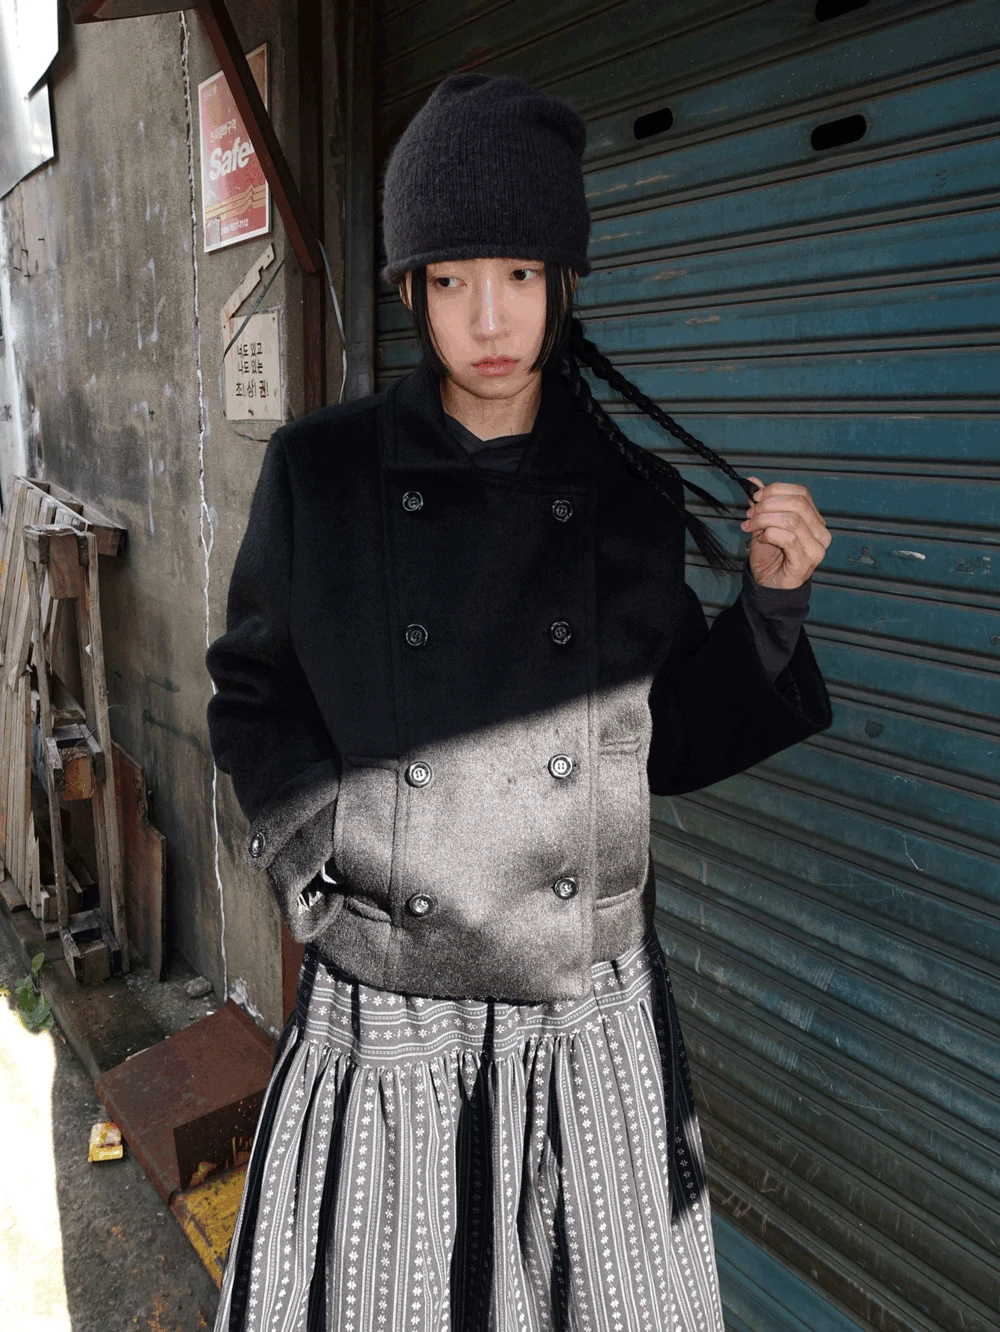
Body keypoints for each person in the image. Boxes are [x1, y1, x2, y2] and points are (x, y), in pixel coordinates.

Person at [205, 73, 832, 1332]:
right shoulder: (322, 473)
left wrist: (768, 610)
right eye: (449, 280)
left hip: (583, 1015)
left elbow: (660, 743)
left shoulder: (631, 497)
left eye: (519, 275)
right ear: (411, 291)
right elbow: (253, 691)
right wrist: (324, 863)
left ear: (564, 282)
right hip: (389, 1004)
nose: (486, 318)